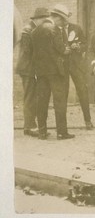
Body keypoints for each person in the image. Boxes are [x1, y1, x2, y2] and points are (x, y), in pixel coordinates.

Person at [31, 8, 74, 140]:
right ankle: (61, 132)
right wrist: (67, 50)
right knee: (59, 102)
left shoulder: (34, 32)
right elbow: (61, 49)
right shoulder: (54, 29)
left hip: (41, 71)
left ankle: (42, 132)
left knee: (42, 102)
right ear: (52, 17)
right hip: (55, 71)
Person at [51, 4, 93, 130]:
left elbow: (85, 44)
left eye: (62, 19)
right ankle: (63, 127)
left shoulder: (76, 28)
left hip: (76, 65)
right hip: (61, 66)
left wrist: (78, 47)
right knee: (63, 94)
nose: (61, 22)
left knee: (82, 91)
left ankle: (88, 121)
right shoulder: (54, 30)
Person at [15, 7, 50, 137]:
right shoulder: (27, 31)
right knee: (30, 97)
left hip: (31, 68)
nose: (45, 22)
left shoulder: (34, 29)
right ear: (37, 19)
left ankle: (30, 125)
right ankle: (29, 126)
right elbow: (28, 51)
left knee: (33, 97)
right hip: (27, 69)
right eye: (44, 19)